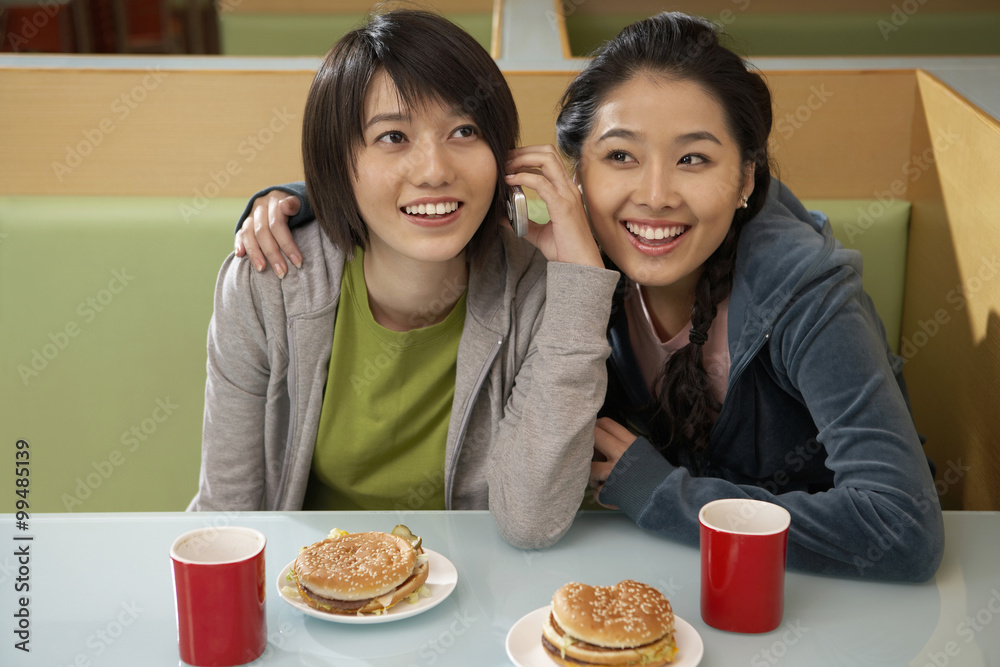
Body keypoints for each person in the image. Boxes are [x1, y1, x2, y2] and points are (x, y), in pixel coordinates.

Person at [235, 12, 944, 581]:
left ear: (747, 178)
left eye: (694, 157)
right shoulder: (574, 251)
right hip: (644, 580)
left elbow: (902, 527)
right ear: (577, 176)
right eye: (621, 156)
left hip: (806, 595)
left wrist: (662, 493)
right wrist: (299, 201)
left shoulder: (805, 289)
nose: (656, 194)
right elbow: (432, 197)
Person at [189, 9, 619, 552]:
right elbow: (229, 516)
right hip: (299, 592)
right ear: (339, 161)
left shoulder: (538, 292)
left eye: (464, 131)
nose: (435, 169)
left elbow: (532, 523)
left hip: (474, 594)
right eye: (393, 136)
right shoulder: (270, 281)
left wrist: (580, 284)